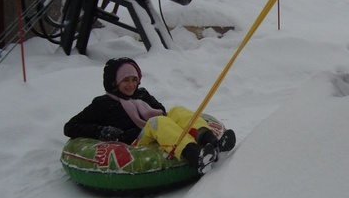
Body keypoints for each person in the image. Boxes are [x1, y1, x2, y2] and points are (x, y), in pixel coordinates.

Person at [64, 57, 235, 175]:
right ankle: (195, 155)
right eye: (125, 80)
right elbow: (71, 127)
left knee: (176, 111)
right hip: (135, 141)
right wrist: (103, 131)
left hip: (155, 130)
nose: (131, 85)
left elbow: (160, 109)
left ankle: (211, 141)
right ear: (113, 82)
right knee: (157, 122)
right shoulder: (103, 103)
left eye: (134, 79)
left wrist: (148, 107)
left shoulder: (141, 94)